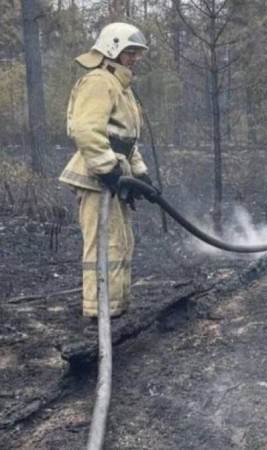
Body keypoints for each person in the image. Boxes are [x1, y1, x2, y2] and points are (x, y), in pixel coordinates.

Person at [58, 22, 157, 330]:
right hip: (96, 177)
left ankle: (114, 307)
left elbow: (125, 140)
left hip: (115, 175)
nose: (135, 58)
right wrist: (107, 168)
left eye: (137, 53)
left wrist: (140, 175)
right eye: (130, 52)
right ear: (112, 49)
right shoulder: (99, 81)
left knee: (121, 241)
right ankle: (98, 310)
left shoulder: (120, 86)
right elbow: (86, 129)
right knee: (105, 243)